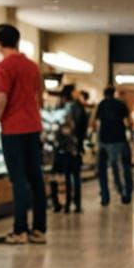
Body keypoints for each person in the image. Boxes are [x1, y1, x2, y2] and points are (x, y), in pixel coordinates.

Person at [0, 23, 47, 245]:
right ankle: (39, 229)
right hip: (33, 126)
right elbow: (39, 97)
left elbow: (0, 100)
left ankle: (20, 230)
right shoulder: (32, 66)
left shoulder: (3, 67)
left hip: (13, 128)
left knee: (18, 179)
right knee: (35, 178)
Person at [92, 85, 133, 205]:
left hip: (104, 140)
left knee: (102, 169)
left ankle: (105, 196)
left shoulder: (101, 104)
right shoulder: (121, 104)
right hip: (120, 139)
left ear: (104, 94)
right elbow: (129, 121)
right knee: (125, 167)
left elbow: (94, 122)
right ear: (114, 93)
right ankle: (126, 194)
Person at [58, 84, 87, 212]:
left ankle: (67, 203)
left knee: (67, 176)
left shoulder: (62, 107)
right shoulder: (77, 107)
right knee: (75, 176)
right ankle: (77, 203)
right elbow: (82, 127)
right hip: (75, 147)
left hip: (64, 148)